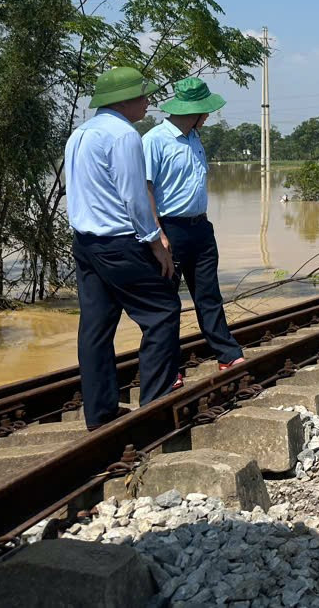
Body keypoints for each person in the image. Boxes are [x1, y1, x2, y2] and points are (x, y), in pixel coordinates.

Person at [65, 66, 180, 429]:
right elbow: (133, 196)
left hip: (85, 244)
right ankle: (155, 408)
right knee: (162, 312)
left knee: (96, 328)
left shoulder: (80, 134)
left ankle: (99, 415)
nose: (148, 103)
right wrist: (155, 241)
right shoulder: (123, 135)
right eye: (143, 96)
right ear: (124, 100)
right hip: (119, 243)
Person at [144, 77, 244, 370]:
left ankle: (227, 354)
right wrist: (157, 233)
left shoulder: (194, 138)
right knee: (166, 303)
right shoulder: (154, 141)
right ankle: (166, 370)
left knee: (209, 294)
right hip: (169, 230)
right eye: (207, 111)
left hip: (200, 228)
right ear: (195, 110)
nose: (209, 117)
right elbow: (144, 189)